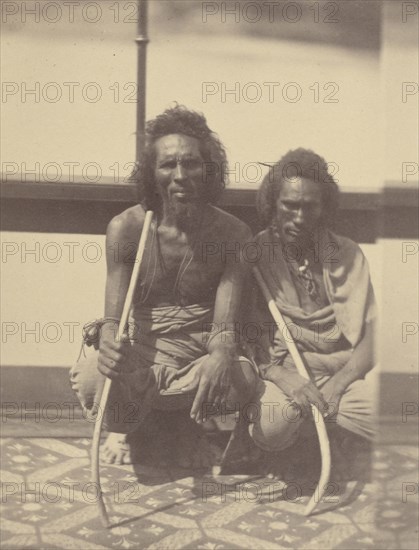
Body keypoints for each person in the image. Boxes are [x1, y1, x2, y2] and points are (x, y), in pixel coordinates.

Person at [70, 106, 256, 466]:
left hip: (199, 354)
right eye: (168, 165)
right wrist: (110, 344)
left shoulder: (233, 234)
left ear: (209, 169)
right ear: (152, 174)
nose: (181, 175)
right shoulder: (126, 228)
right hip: (144, 352)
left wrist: (220, 355)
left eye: (192, 164)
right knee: (94, 376)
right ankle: (123, 427)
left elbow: (224, 327)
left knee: (241, 376)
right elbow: (113, 323)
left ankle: (193, 426)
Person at [247, 148, 377, 458]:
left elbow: (373, 337)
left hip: (339, 372)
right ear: (273, 204)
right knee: (273, 426)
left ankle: (328, 434)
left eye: (310, 207)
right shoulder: (255, 255)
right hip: (285, 375)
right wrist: (283, 377)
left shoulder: (347, 253)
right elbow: (246, 336)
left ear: (324, 207)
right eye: (290, 206)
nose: (300, 218)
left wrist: (340, 384)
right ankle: (300, 442)